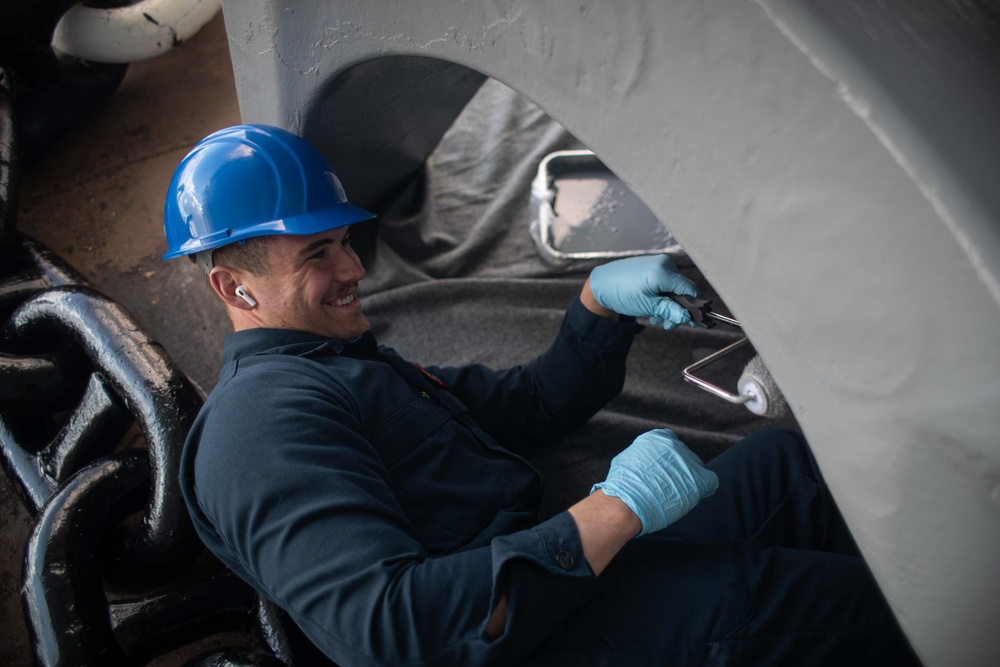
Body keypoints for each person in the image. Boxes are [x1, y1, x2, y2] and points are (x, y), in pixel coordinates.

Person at [163, 125, 918, 666]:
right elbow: (388, 631)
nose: (356, 268)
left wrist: (598, 306)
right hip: (530, 639)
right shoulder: (259, 426)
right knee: (857, 611)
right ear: (235, 287)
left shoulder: (339, 365)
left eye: (345, 241)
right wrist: (614, 508)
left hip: (556, 577)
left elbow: (527, 407)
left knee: (789, 465)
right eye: (317, 255)